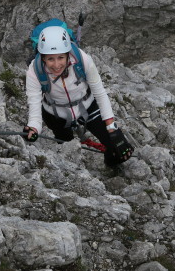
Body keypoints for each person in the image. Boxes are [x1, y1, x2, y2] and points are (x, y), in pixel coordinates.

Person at [23, 25, 134, 166]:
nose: (56, 65)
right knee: (66, 146)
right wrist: (33, 127)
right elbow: (34, 102)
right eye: (50, 59)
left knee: (119, 150)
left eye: (61, 57)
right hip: (55, 115)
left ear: (68, 53)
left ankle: (110, 165)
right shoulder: (34, 70)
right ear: (43, 58)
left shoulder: (83, 60)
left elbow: (99, 92)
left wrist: (111, 127)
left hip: (87, 106)